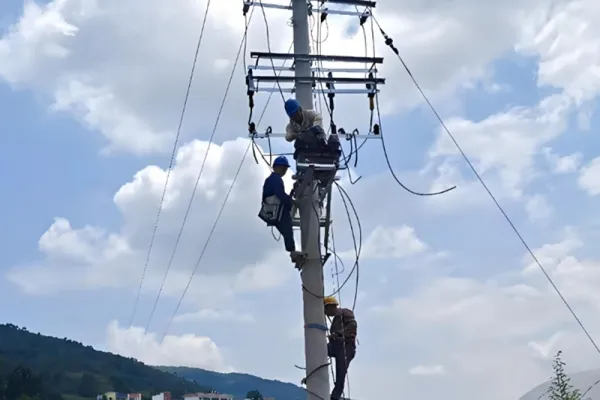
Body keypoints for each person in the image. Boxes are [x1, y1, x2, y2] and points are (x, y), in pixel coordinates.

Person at [261, 155, 305, 264]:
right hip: (276, 211)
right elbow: (279, 194)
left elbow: (280, 195)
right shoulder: (276, 179)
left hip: (272, 211)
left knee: (287, 231)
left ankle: (293, 252)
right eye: (284, 168)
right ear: (278, 167)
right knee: (287, 229)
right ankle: (293, 252)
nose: (285, 170)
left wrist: (291, 195)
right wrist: (292, 202)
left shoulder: (272, 179)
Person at [324, 296, 357, 400]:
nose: (325, 312)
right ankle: (313, 376)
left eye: (325, 309)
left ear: (331, 306)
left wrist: (338, 334)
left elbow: (352, 326)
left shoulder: (345, 313)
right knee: (319, 350)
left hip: (346, 348)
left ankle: (335, 397)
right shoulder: (336, 320)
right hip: (336, 346)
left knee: (340, 373)